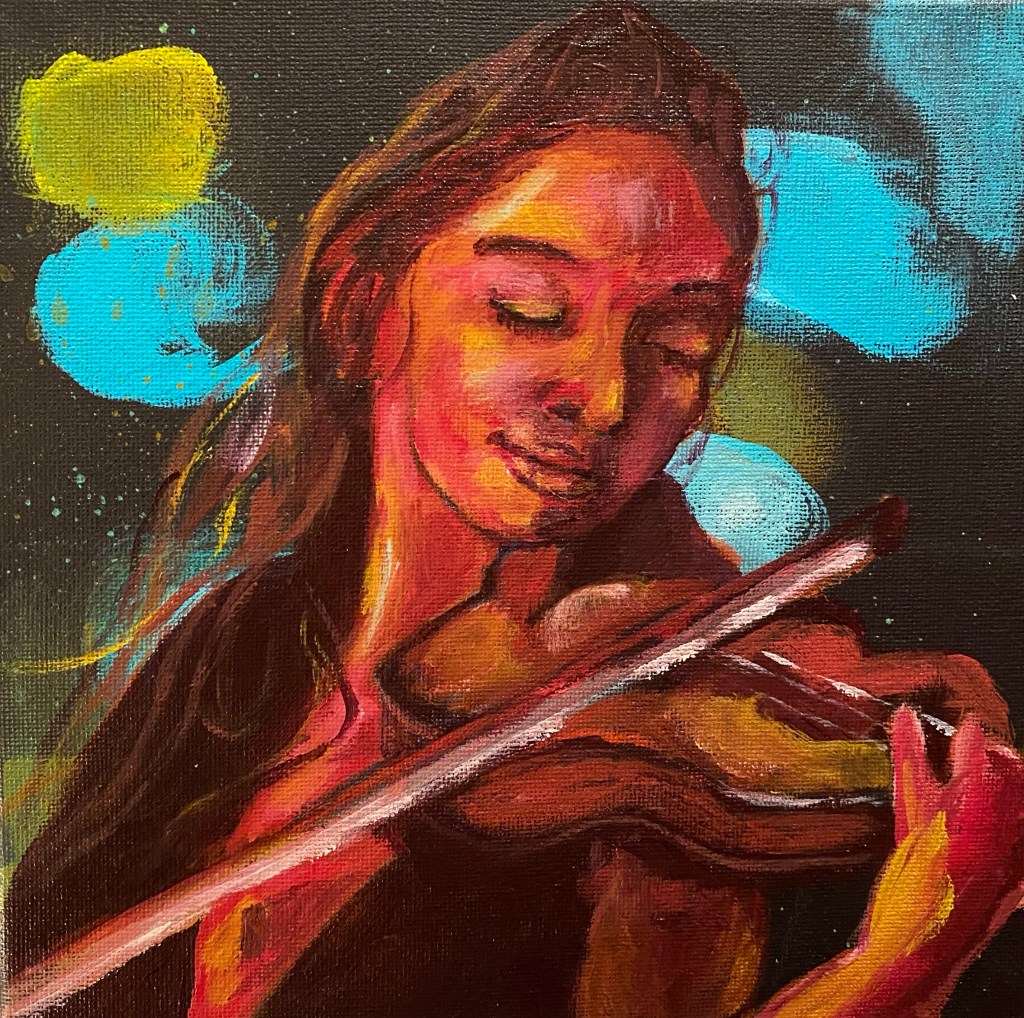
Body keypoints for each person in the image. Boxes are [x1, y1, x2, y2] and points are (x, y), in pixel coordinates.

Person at [8, 5, 1024, 1016]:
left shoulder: (648, 813)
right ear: (363, 311)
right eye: (529, 310)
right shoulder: (231, 656)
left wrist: (901, 963)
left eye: (678, 347)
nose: (609, 397)